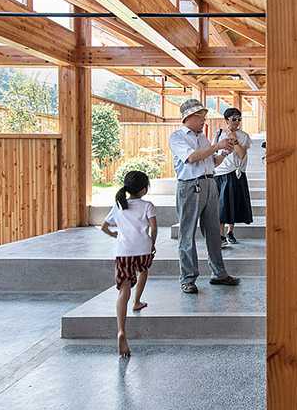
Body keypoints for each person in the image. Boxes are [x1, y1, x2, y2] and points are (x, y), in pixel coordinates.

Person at [169, 98, 240, 294]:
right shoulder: (177, 137)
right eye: (201, 117)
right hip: (190, 187)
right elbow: (191, 158)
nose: (204, 121)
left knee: (214, 234)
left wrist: (224, 152)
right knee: (187, 234)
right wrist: (216, 146)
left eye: (204, 117)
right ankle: (188, 279)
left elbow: (211, 163)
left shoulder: (203, 138)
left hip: (210, 183)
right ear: (188, 117)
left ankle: (219, 273)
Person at [100, 169, 157, 357]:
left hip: (123, 252)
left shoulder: (119, 205)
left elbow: (104, 226)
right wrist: (152, 243)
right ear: (144, 189)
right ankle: (137, 301)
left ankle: (121, 330)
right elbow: (154, 228)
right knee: (144, 271)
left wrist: (114, 235)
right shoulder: (148, 205)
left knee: (124, 288)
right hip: (143, 249)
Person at [213, 106, 253, 246]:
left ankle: (230, 232)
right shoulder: (218, 134)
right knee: (222, 206)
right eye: (234, 119)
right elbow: (214, 151)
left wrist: (234, 138)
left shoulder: (244, 136)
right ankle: (220, 235)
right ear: (226, 120)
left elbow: (242, 154)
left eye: (239, 119)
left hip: (236, 173)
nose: (237, 122)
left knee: (233, 204)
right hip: (220, 173)